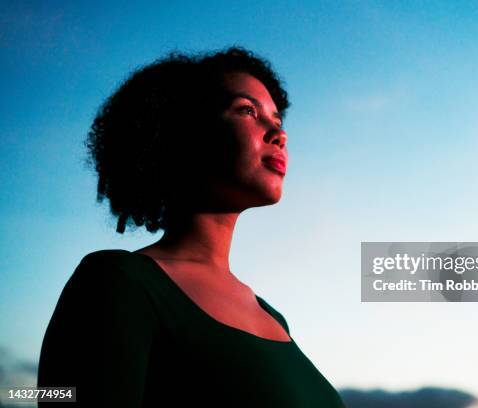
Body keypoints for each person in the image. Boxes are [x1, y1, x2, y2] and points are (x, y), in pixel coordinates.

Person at [38, 47, 345, 407]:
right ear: (185, 132)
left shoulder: (272, 316)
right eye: (247, 110)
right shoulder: (119, 282)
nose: (278, 134)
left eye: (277, 121)